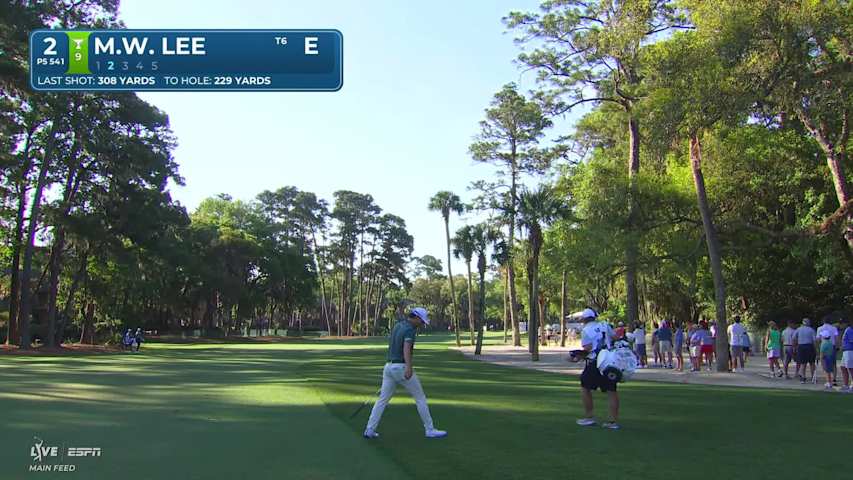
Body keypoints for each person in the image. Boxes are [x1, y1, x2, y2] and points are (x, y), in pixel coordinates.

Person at [364, 307, 447, 439]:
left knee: (382, 400)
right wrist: (409, 367)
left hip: (389, 367)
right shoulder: (410, 329)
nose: (422, 324)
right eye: (422, 321)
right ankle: (430, 429)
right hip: (401, 367)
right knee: (420, 398)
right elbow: (406, 349)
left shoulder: (398, 325)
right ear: (416, 317)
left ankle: (369, 429)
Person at [573, 308, 620, 430]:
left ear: (584, 319)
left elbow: (587, 348)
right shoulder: (604, 325)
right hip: (609, 361)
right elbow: (615, 337)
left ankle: (589, 417)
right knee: (612, 391)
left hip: (595, 361)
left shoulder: (586, 330)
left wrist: (577, 356)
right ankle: (613, 421)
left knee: (585, 387)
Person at [816, 316, 839, 390]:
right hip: (832, 346)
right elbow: (836, 338)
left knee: (825, 365)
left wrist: (818, 349)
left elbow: (818, 339)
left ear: (823, 321)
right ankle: (834, 379)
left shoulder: (819, 328)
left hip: (824, 346)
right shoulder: (834, 328)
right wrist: (837, 346)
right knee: (834, 364)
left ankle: (828, 380)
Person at [793, 318, 817, 384]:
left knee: (803, 363)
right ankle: (813, 377)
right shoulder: (811, 330)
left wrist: (794, 347)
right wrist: (816, 349)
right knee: (812, 363)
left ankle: (803, 378)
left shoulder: (798, 329)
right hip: (809, 346)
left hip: (801, 346)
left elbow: (794, 338)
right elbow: (814, 341)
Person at [840, 318, 853, 393]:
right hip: (846, 351)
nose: (841, 325)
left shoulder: (849, 330)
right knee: (843, 367)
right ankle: (846, 385)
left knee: (851, 369)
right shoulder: (847, 330)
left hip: (850, 351)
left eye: (842, 323)